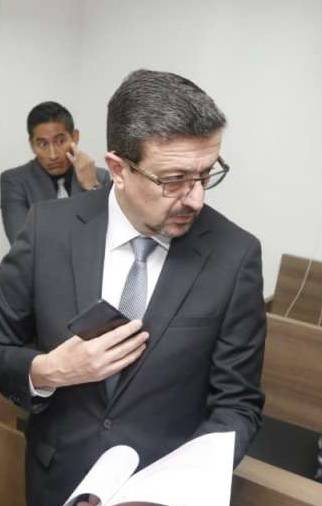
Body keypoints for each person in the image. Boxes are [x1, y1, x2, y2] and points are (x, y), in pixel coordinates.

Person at [0, 70, 266, 506]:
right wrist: (46, 372)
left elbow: (238, 405)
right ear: (118, 169)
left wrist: (177, 485)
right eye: (174, 179)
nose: (196, 198)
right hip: (57, 483)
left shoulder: (235, 255)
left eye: (206, 174)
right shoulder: (48, 229)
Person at [1, 101, 110, 243]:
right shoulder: (14, 182)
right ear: (32, 145)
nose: (53, 155)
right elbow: (22, 244)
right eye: (43, 144)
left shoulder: (99, 177)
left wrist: (92, 188)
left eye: (60, 141)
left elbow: (108, 235)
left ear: (75, 137)